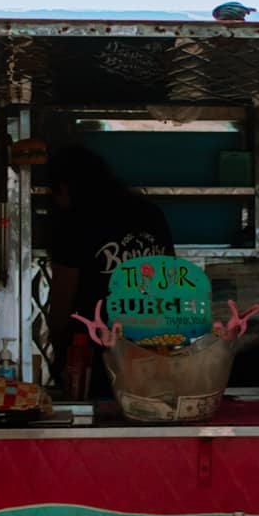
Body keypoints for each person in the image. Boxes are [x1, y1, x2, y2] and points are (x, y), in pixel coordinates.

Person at [45, 146, 174, 384]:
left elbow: (62, 300)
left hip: (94, 353)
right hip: (154, 348)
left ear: (63, 187)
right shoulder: (151, 214)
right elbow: (171, 281)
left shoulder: (73, 223)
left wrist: (60, 351)